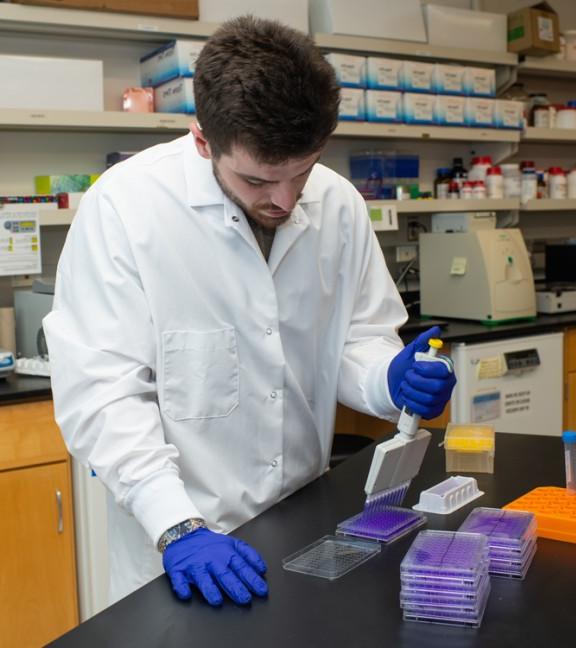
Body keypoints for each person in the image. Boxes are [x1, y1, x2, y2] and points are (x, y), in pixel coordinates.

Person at [43, 15, 455, 609]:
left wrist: (386, 378)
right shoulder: (125, 209)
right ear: (203, 139)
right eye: (260, 179)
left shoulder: (337, 203)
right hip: (179, 548)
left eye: (302, 171)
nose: (285, 200)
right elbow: (103, 395)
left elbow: (353, 336)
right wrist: (176, 525)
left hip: (307, 529)